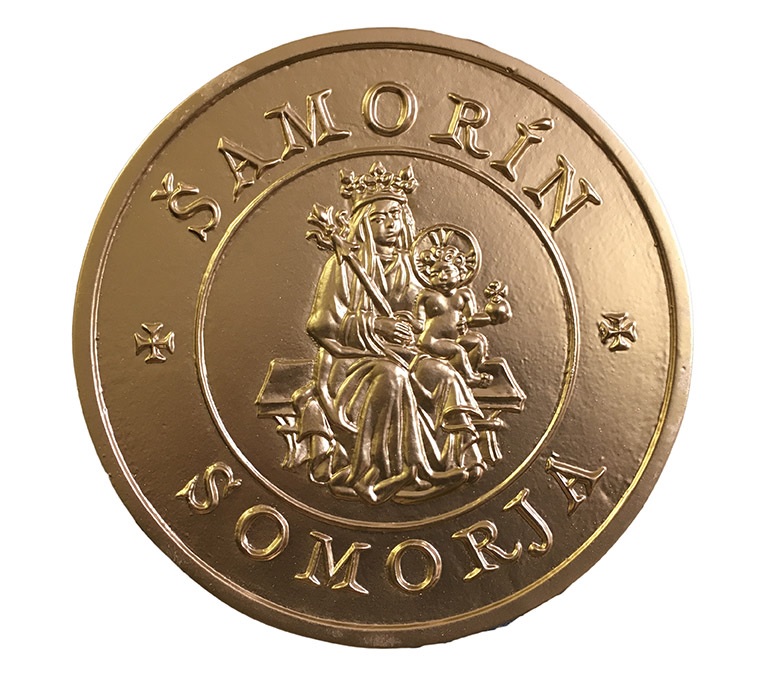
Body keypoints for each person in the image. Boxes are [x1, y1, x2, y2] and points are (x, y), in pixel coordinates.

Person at [294, 162, 488, 503]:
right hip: (352, 362)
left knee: (442, 373)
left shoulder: (412, 268)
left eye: (396, 215)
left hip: (406, 353)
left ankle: (462, 459)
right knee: (392, 376)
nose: (391, 223)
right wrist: (374, 325)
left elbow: (422, 314)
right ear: (362, 223)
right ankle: (385, 473)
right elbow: (321, 324)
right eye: (380, 217)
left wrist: (414, 327)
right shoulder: (343, 265)